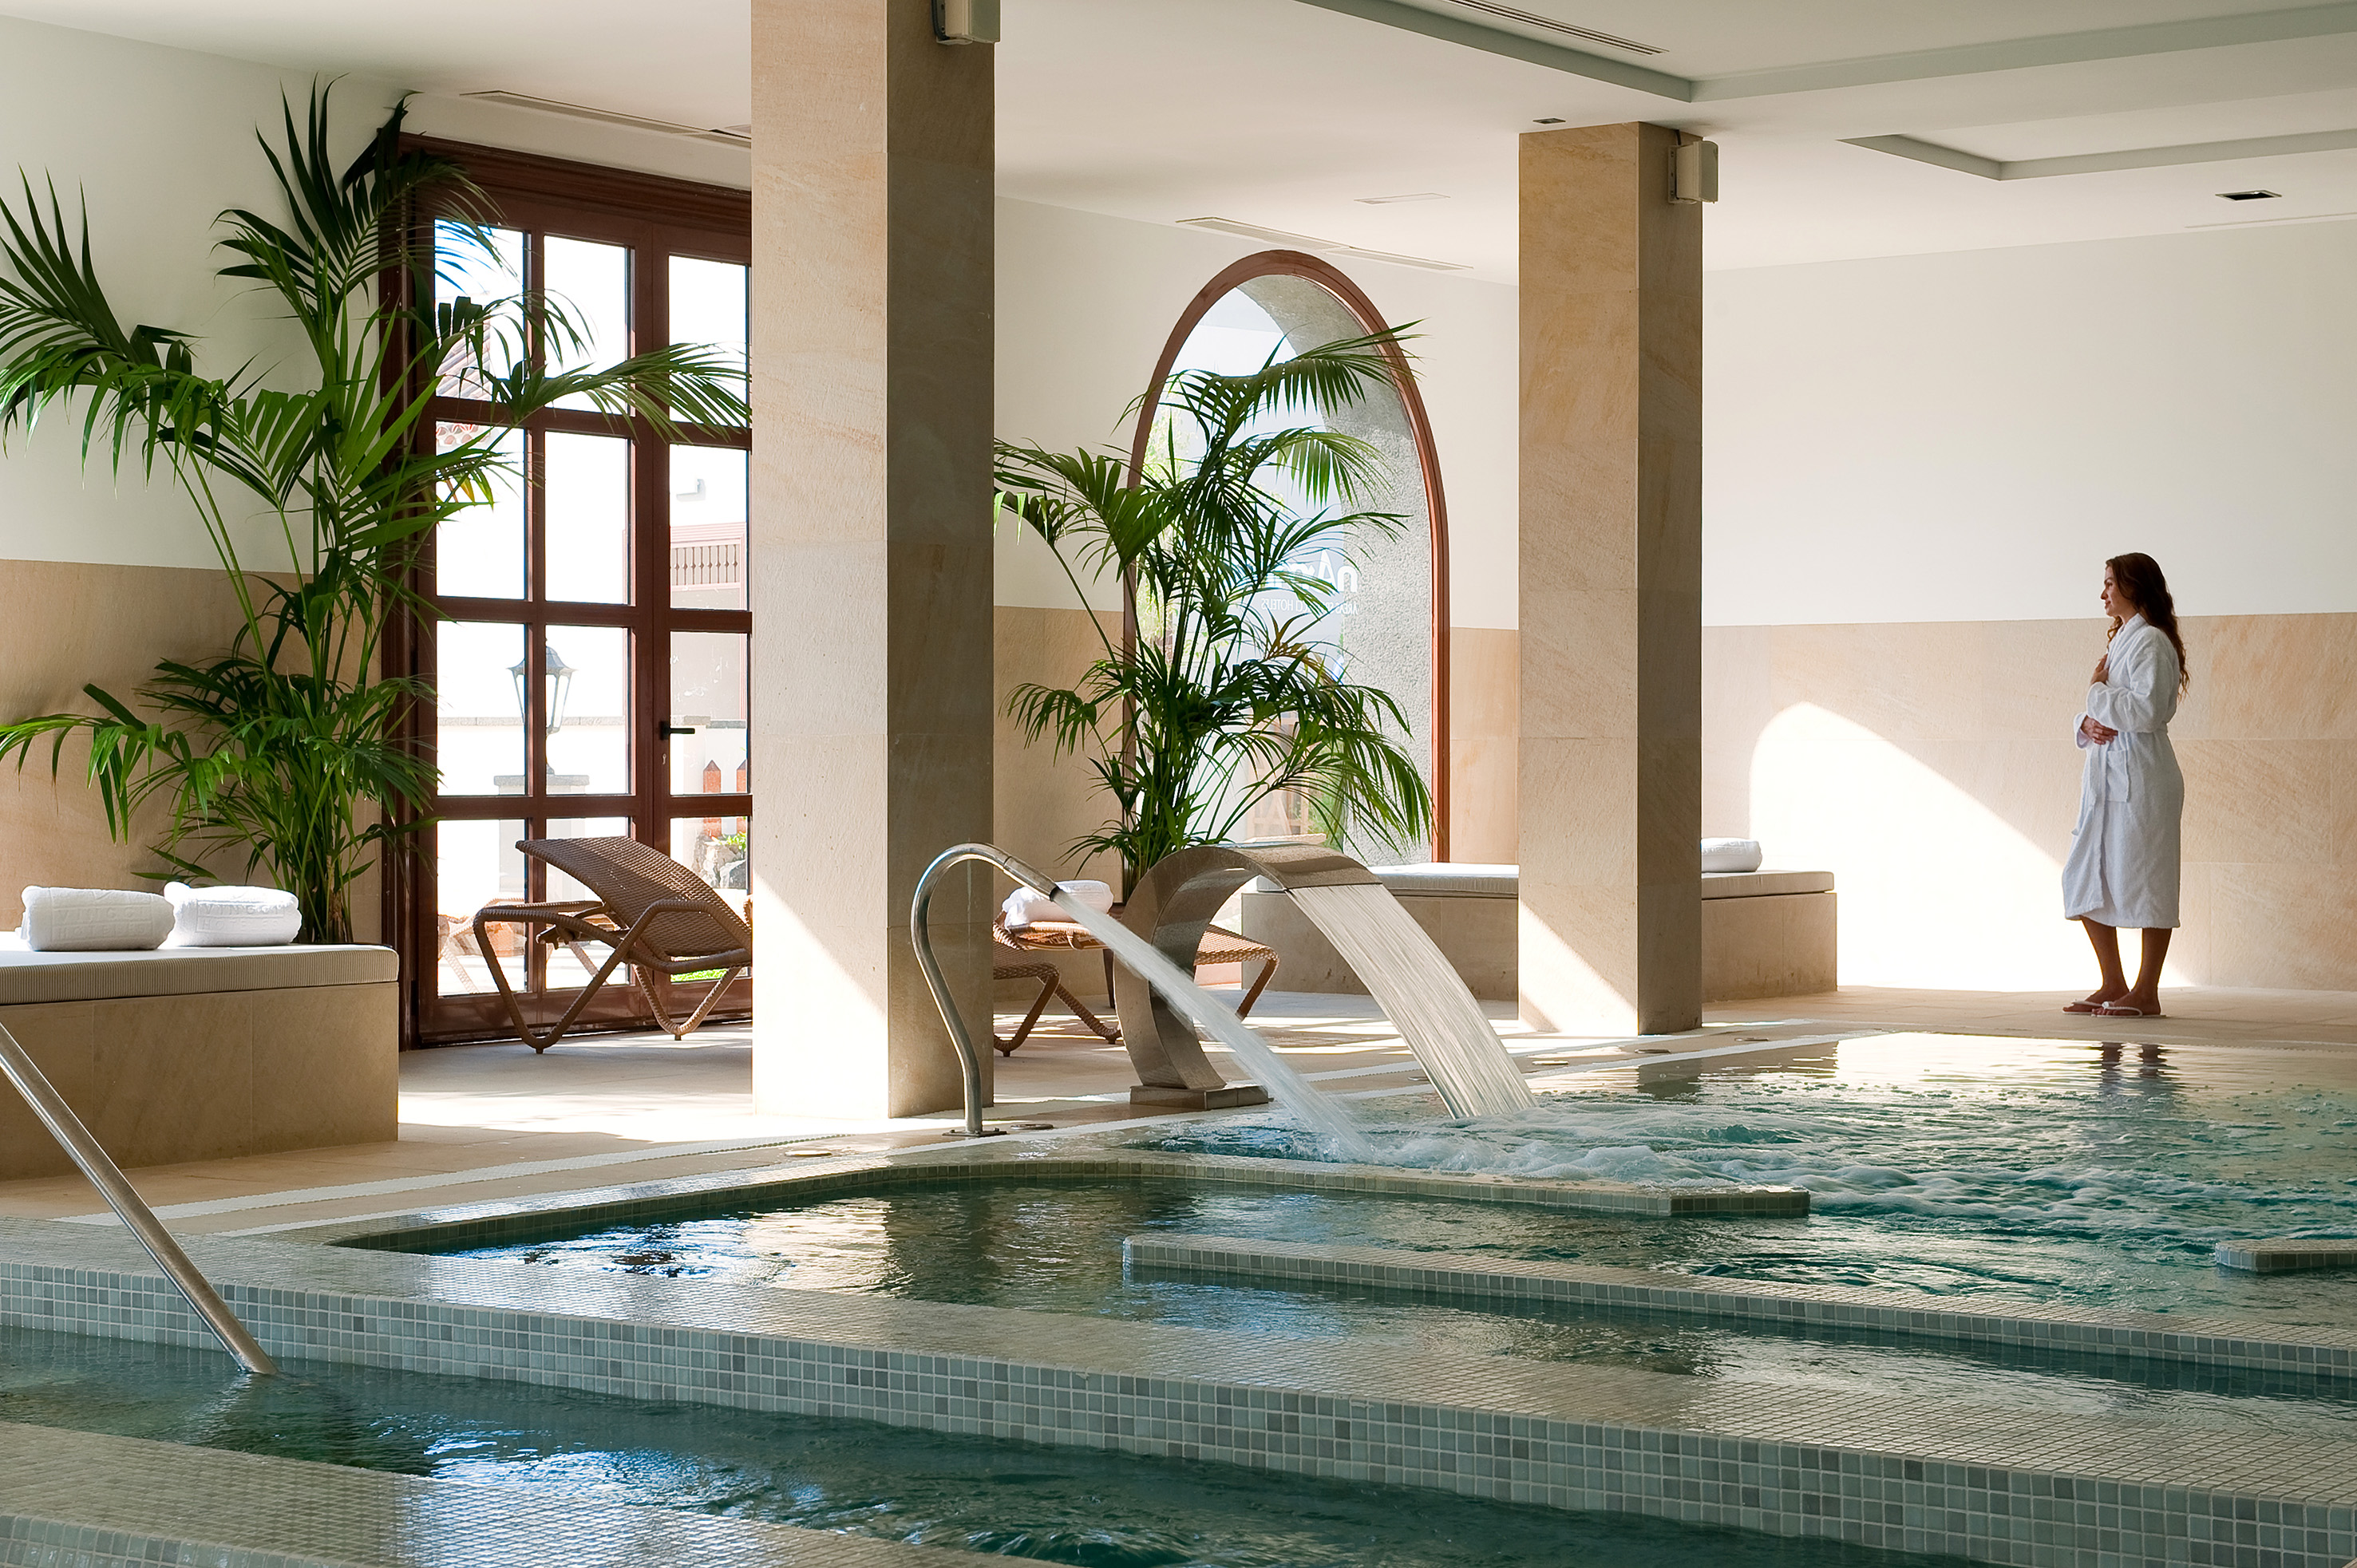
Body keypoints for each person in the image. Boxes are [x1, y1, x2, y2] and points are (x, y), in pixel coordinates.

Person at [2062, 552, 2188, 1018]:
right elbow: (2114, 713)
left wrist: (2095, 693)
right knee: (2085, 873)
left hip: (2144, 781)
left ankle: (2147, 991)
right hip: (2110, 780)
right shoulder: (2124, 642)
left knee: (2148, 879)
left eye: (2111, 583)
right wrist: (2086, 722)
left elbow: (2149, 710)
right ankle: (2113, 982)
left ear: (2134, 586)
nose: (2104, 593)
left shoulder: (2151, 642)